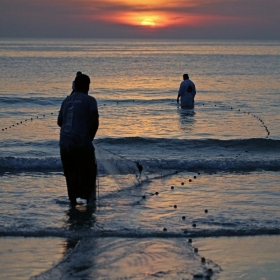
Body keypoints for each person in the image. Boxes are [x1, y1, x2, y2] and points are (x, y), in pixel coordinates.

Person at [58, 74, 99, 206]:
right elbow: (95, 122)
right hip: (81, 143)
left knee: (70, 174)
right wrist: (89, 139)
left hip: (65, 144)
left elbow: (60, 122)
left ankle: (73, 202)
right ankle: (89, 202)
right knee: (88, 172)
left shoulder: (66, 101)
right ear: (87, 86)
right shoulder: (90, 100)